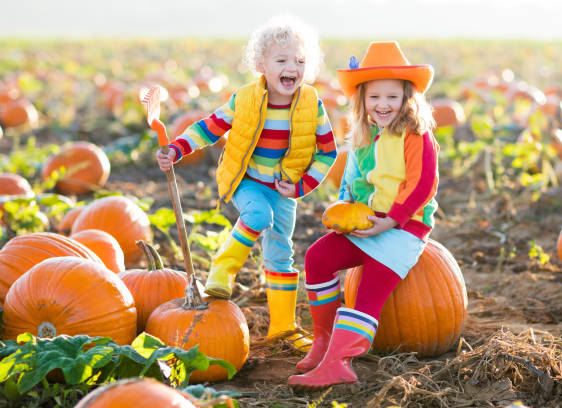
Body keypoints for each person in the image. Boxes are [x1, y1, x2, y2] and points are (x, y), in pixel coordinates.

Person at [156, 16, 337, 351]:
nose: (291, 68)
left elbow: (328, 152)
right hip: (248, 181)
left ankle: (282, 327)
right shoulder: (245, 99)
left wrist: (300, 187)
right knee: (257, 217)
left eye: (299, 61)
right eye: (281, 60)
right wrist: (177, 148)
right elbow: (210, 127)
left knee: (281, 254)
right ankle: (221, 273)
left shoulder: (313, 104)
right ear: (261, 65)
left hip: (285, 190)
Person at [288, 41, 439, 389]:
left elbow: (422, 185)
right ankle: (324, 343)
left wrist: (393, 220)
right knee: (318, 256)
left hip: (403, 230)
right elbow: (354, 182)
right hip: (369, 223)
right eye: (375, 97)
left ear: (407, 98)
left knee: (369, 292)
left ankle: (340, 364)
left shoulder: (417, 136)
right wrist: (342, 211)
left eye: (391, 97)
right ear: (363, 100)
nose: (383, 105)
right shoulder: (365, 136)